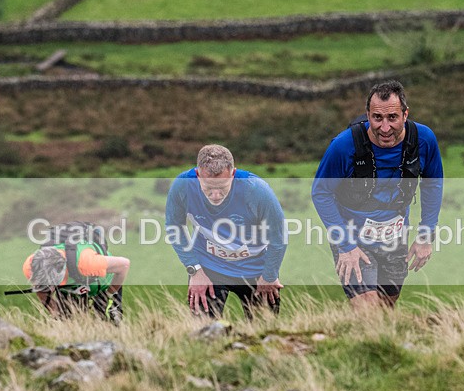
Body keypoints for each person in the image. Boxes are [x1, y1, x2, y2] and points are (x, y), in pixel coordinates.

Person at [311, 80, 443, 308]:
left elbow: (433, 184)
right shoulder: (344, 146)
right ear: (368, 115)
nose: (384, 128)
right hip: (354, 239)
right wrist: (346, 246)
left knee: (385, 307)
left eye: (392, 117)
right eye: (377, 118)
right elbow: (321, 193)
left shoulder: (424, 140)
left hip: (395, 237)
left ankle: (375, 345)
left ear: (405, 114)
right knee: (367, 310)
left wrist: (425, 235)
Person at [165, 144, 286, 318]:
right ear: (198, 175)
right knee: (204, 334)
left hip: (255, 269)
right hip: (208, 268)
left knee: (266, 332)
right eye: (208, 188)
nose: (215, 195)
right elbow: (174, 226)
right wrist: (195, 271)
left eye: (222, 188)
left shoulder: (257, 189)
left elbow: (279, 236)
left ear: (233, 174)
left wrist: (269, 275)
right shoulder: (183, 186)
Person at [22, 222, 130, 324]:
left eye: (50, 284)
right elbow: (41, 291)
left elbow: (124, 265)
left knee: (107, 321)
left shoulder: (87, 263)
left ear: (62, 271)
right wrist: (57, 315)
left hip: (103, 284)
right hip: (70, 288)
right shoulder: (31, 266)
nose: (48, 289)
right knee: (68, 321)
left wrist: (109, 295)